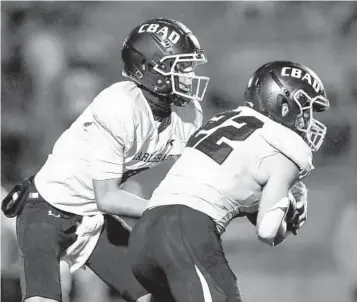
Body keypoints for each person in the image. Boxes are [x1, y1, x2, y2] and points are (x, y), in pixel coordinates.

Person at [1, 18, 209, 302]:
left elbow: (208, 174)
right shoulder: (120, 106)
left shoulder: (187, 115)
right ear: (152, 68)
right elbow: (108, 197)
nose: (189, 75)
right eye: (181, 66)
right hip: (46, 214)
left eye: (190, 66)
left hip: (93, 222)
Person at [128, 61, 330, 302]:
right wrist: (289, 208)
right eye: (306, 109)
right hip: (185, 231)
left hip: (144, 234)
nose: (308, 121)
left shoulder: (226, 120)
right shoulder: (286, 148)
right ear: (284, 103)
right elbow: (268, 231)